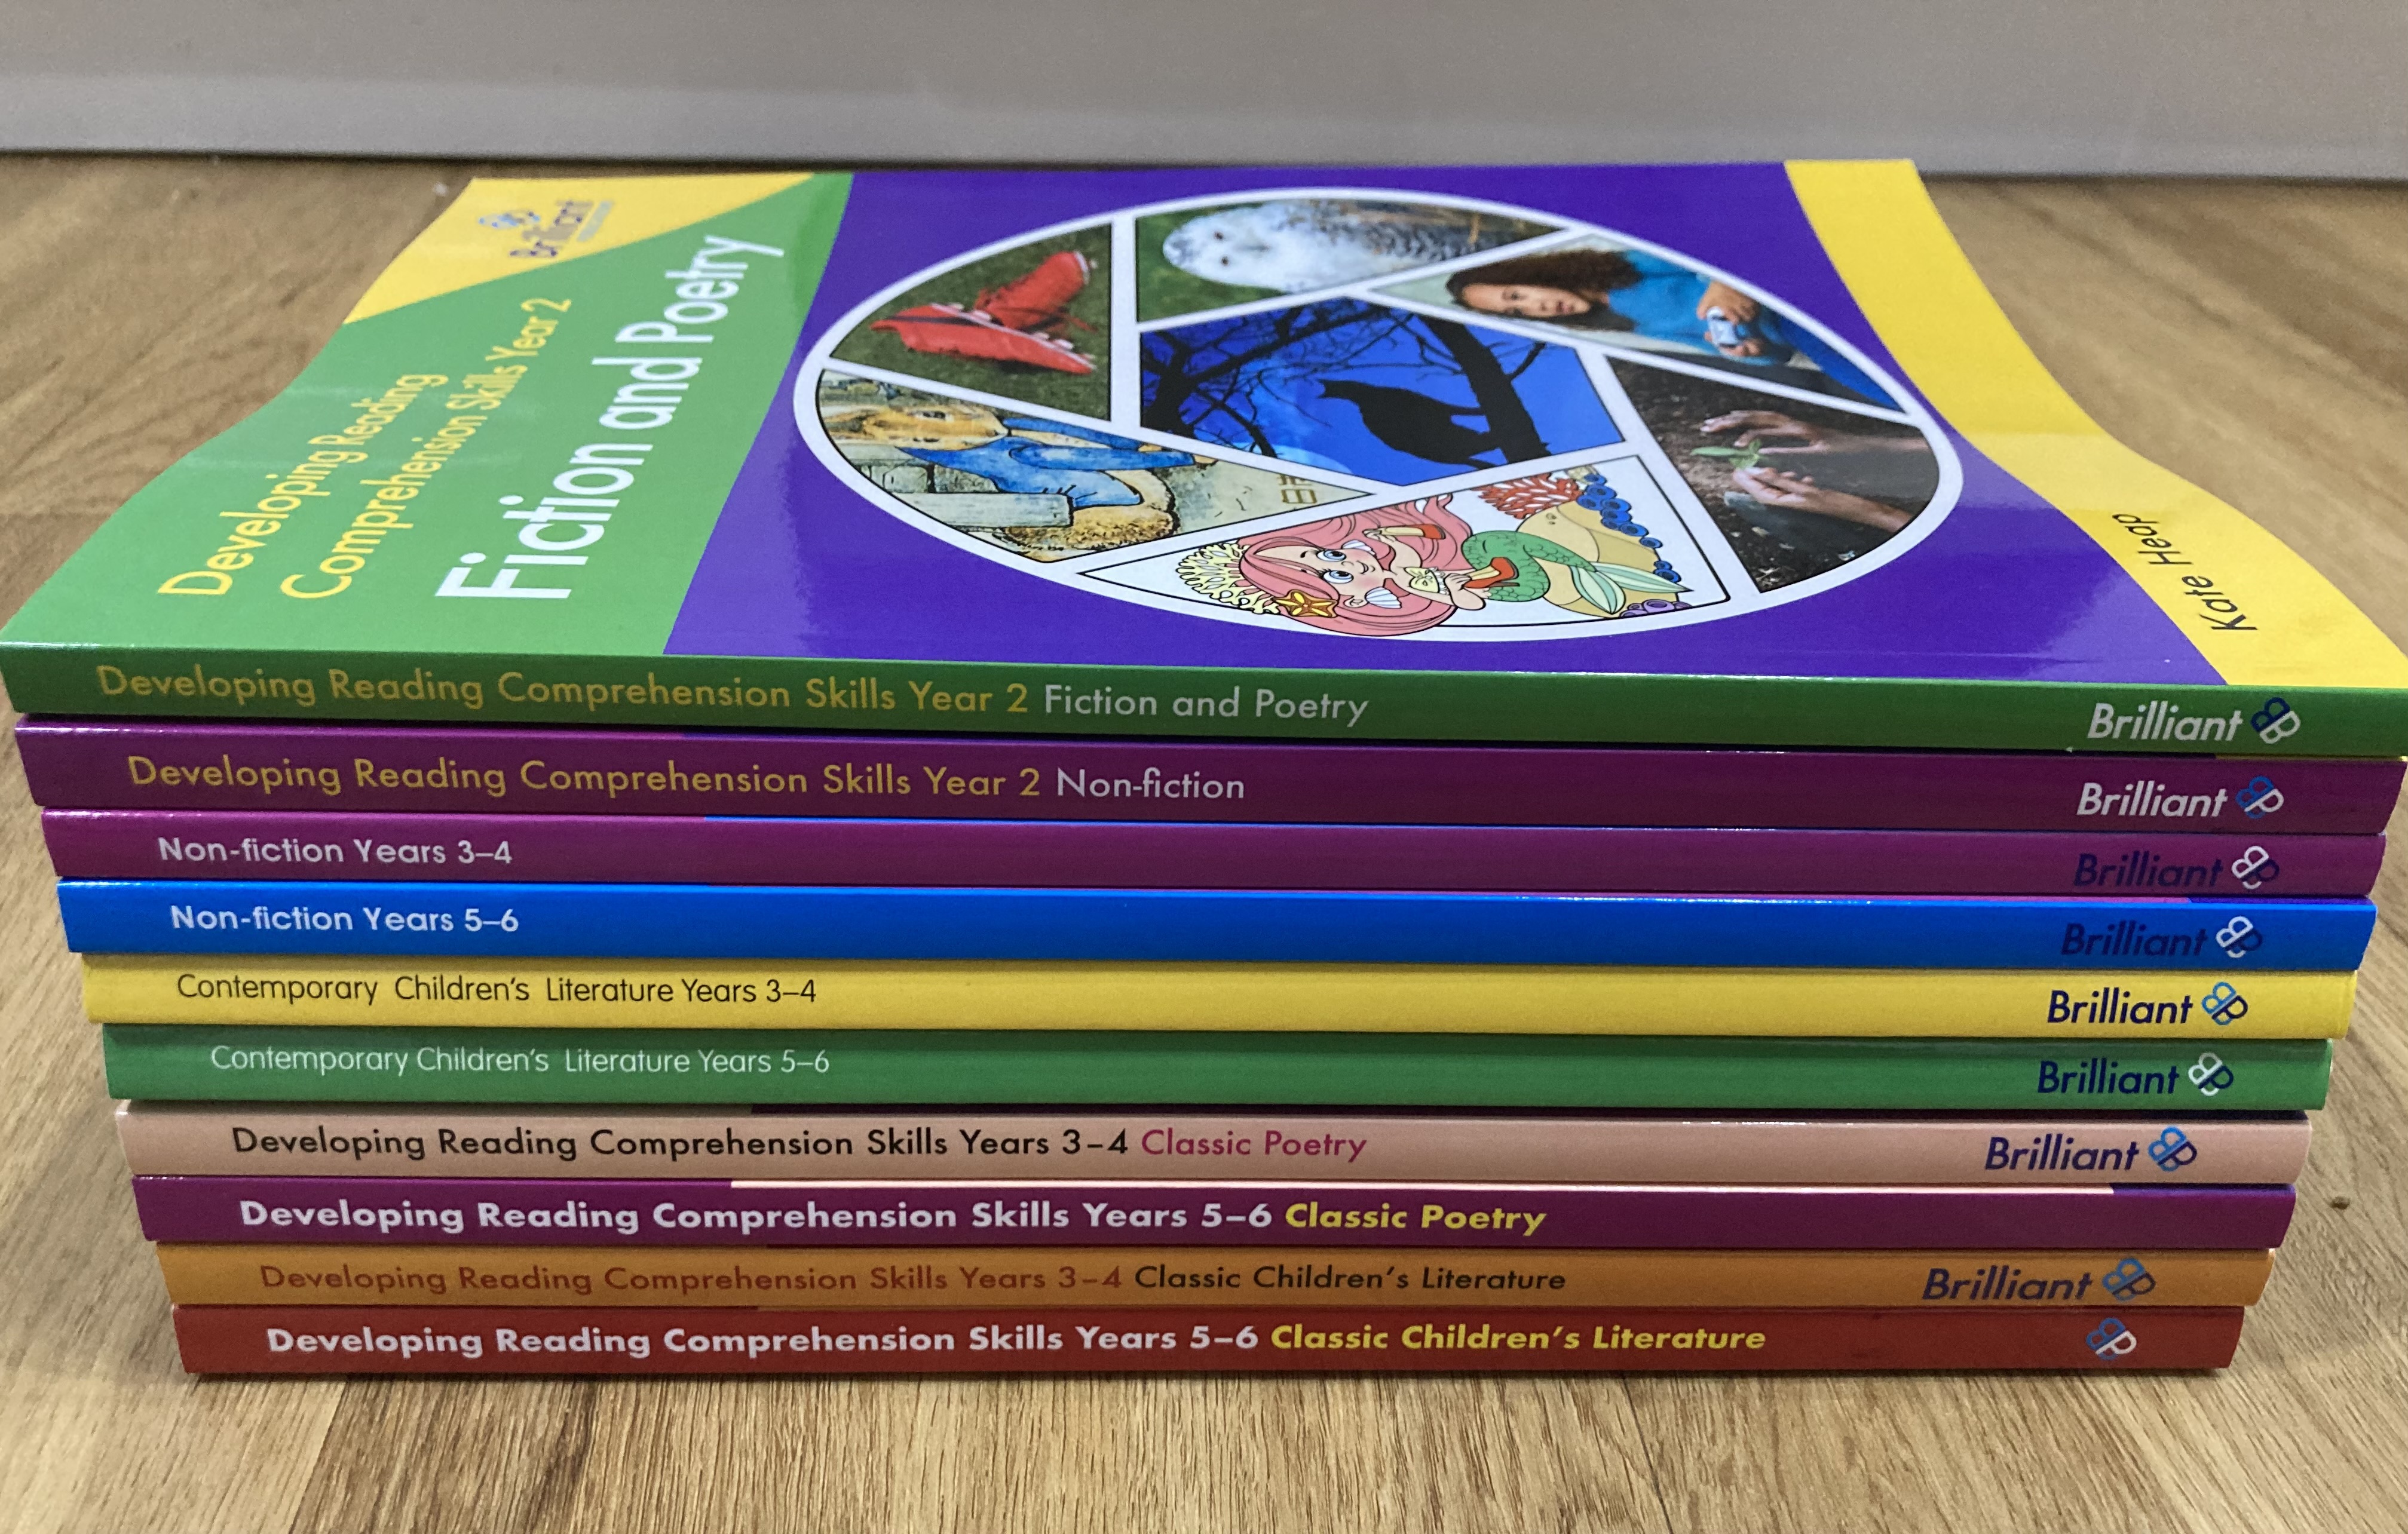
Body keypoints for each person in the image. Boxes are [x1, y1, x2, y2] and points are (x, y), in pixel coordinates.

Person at [1444, 246, 1891, 403]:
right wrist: (1746, 352)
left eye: (1517, 295)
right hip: (1798, 336)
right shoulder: (1628, 325)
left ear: (1529, 275)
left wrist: (1721, 284)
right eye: (1518, 313)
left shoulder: (1624, 266)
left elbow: (1717, 250)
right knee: (1872, 385)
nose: (1535, 307)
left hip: (1795, 291)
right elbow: (1773, 356)